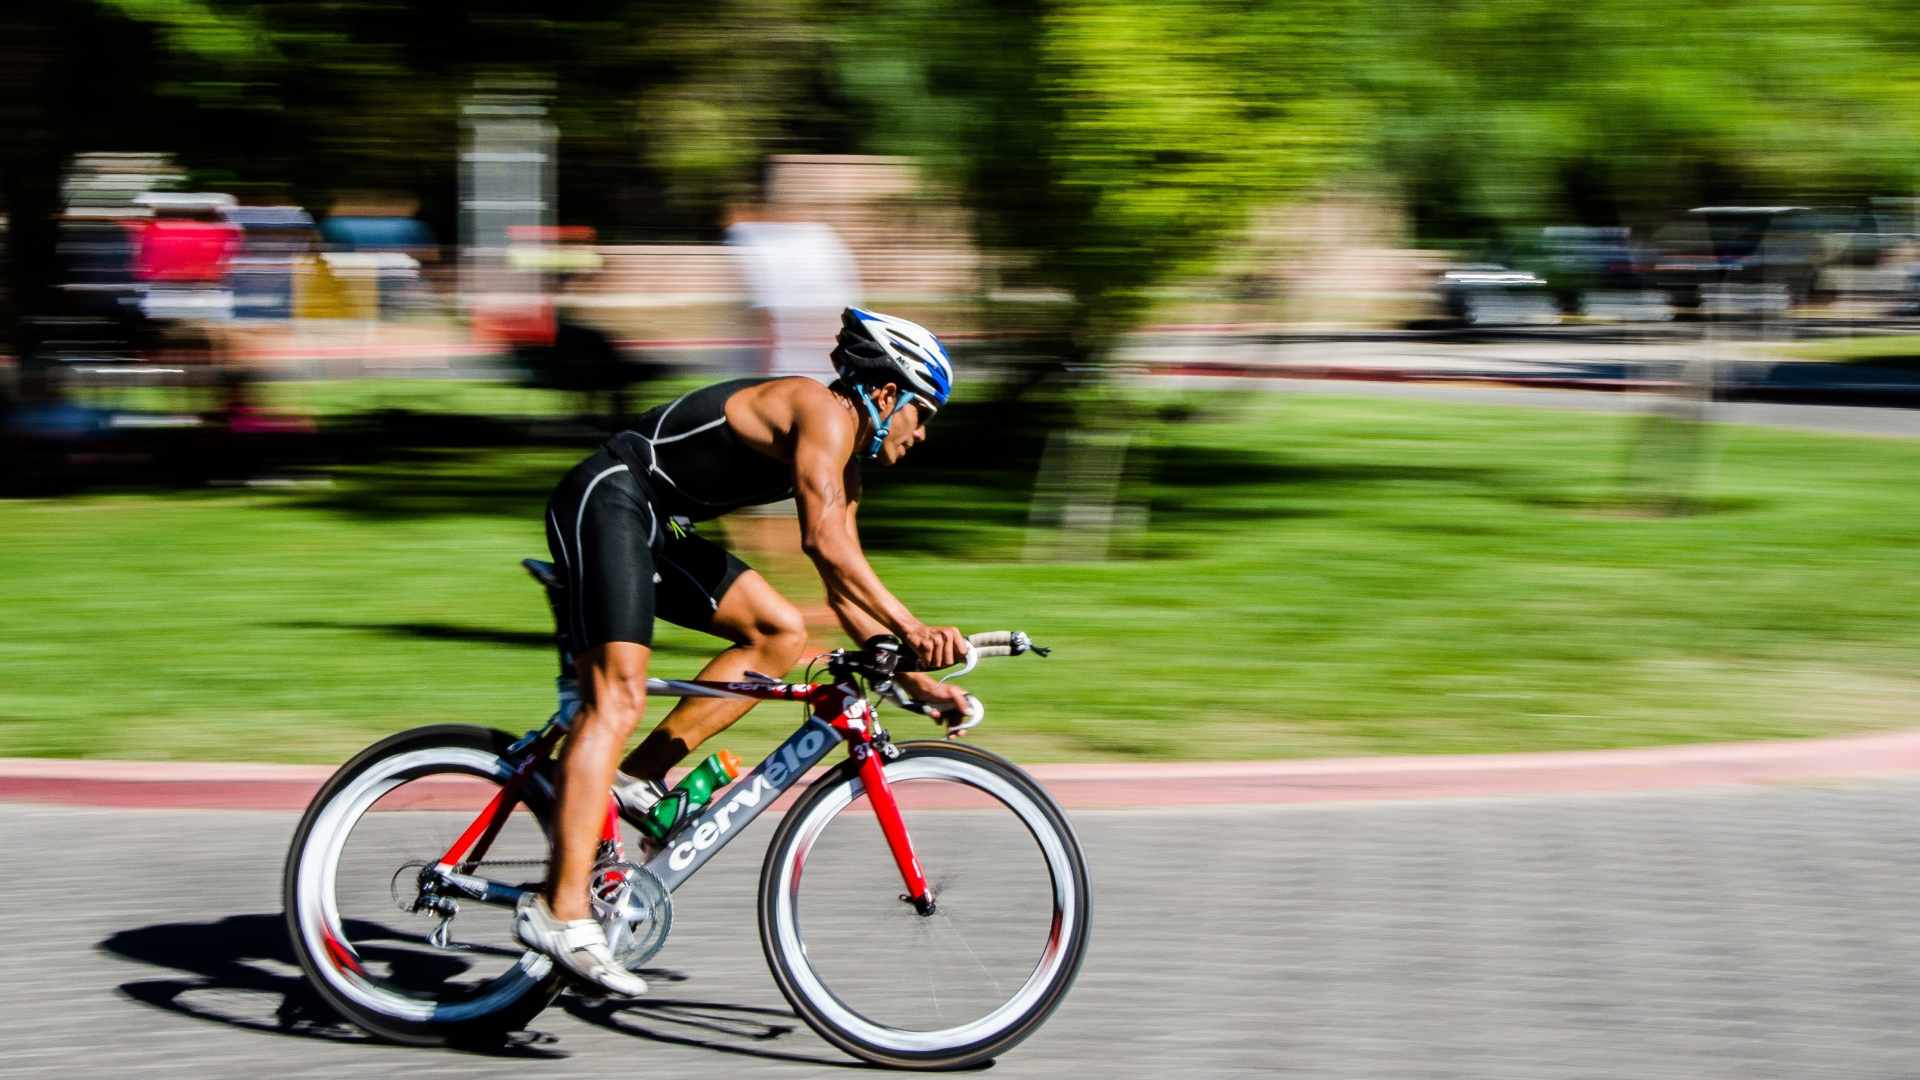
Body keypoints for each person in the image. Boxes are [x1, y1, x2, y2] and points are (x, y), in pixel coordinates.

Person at [515, 307, 972, 997]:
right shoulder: (822, 412)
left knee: (779, 634)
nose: (923, 432)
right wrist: (911, 625)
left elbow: (842, 586)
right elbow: (826, 544)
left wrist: (912, 678)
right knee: (617, 698)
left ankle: (636, 779)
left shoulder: (844, 460)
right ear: (887, 394)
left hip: (652, 527)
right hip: (608, 498)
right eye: (923, 411)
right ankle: (561, 910)